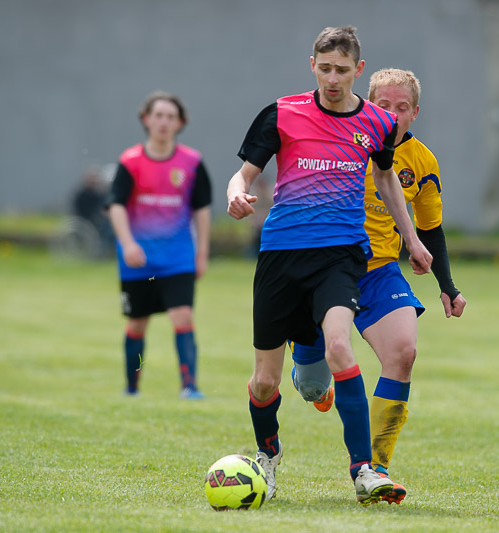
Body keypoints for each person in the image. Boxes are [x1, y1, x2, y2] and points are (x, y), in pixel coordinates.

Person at [226, 27, 432, 505]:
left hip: (340, 256)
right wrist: (237, 193)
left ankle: (365, 471)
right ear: (312, 66)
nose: (333, 79)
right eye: (325, 69)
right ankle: (268, 455)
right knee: (264, 381)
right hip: (281, 256)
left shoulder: (378, 122)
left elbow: (385, 177)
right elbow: (245, 173)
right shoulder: (282, 113)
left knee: (340, 345)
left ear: (358, 70)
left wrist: (412, 239)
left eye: (342, 70)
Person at [289, 68, 467, 504]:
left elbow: (432, 228)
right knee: (311, 385)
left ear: (415, 113)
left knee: (403, 352)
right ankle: (317, 385)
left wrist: (447, 284)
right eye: (383, 105)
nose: (393, 114)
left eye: (402, 107)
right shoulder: (340, 137)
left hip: (379, 270)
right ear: (369, 105)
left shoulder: (421, 162)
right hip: (324, 268)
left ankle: (375, 469)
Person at [108, 91, 212, 399]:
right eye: (158, 115)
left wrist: (202, 253)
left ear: (180, 123)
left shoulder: (192, 162)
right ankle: (132, 388)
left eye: (170, 117)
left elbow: (202, 210)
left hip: (178, 258)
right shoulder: (130, 161)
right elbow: (115, 205)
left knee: (183, 316)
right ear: (146, 119)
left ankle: (190, 387)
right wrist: (128, 244)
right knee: (137, 324)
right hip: (138, 259)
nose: (164, 122)